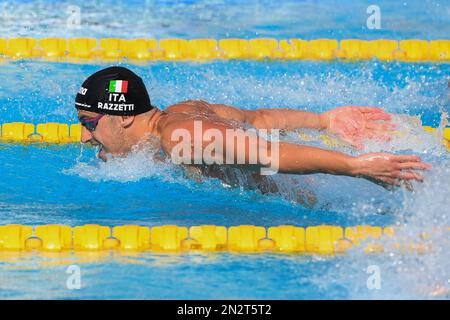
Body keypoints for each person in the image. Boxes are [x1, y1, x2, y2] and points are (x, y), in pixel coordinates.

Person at [75, 66, 431, 198]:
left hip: (312, 201)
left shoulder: (181, 139)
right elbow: (257, 118)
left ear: (122, 117)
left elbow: (268, 155)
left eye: (88, 124)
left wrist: (355, 167)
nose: (84, 138)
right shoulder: (183, 111)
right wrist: (324, 120)